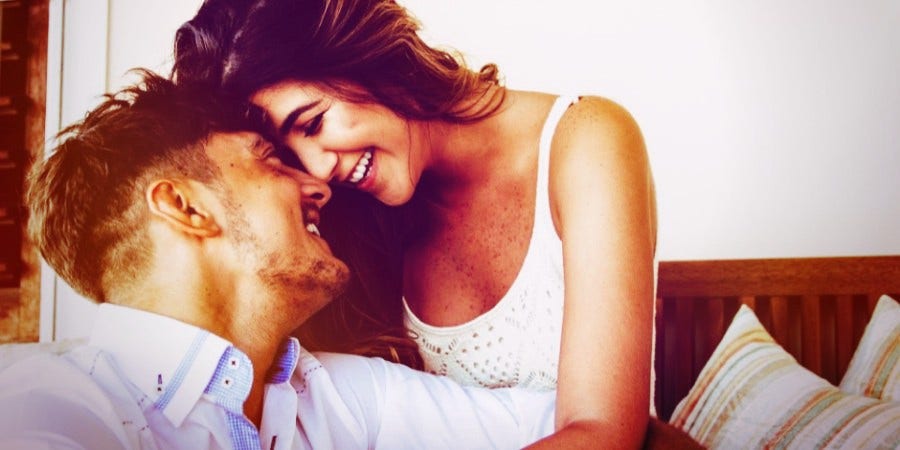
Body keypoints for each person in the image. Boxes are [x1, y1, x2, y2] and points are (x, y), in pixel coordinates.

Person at [173, 0, 658, 448]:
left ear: (364, 56)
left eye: (314, 123)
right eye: (291, 156)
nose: (319, 170)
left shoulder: (586, 141)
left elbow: (603, 433)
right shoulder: (347, 224)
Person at [0, 71, 558, 449]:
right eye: (269, 159)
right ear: (185, 207)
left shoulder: (335, 394)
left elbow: (573, 430)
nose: (318, 186)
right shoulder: (45, 408)